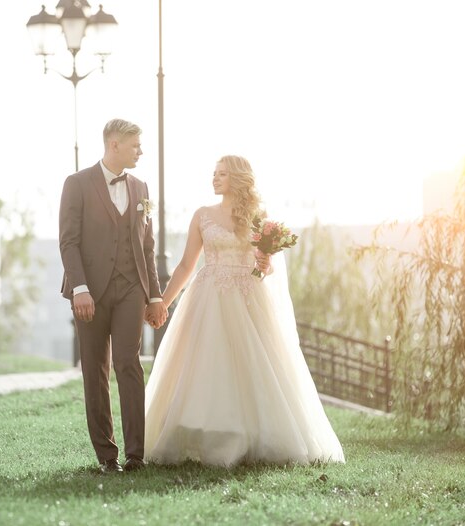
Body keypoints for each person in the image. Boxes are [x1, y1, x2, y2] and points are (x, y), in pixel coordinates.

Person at [143, 155, 345, 466]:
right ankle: (205, 433)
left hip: (249, 299)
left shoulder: (257, 217)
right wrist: (163, 302)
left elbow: (265, 268)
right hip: (209, 297)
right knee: (209, 367)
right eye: (213, 173)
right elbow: (186, 265)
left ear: (237, 178)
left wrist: (265, 264)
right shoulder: (202, 215)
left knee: (255, 365)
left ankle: (256, 437)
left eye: (221, 174)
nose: (214, 178)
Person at [59, 118, 168, 474]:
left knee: (128, 363)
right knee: (96, 370)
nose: (141, 151)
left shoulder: (141, 187)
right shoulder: (76, 184)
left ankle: (136, 455)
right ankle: (107, 457)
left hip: (131, 289)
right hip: (89, 291)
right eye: (135, 145)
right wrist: (80, 288)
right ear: (114, 145)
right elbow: (69, 241)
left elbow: (147, 247)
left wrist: (154, 296)